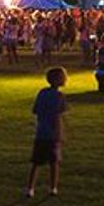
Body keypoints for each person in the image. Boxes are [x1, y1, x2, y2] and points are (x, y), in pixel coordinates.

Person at [27, 67, 68, 197]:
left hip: (40, 132)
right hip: (52, 134)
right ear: (57, 80)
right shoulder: (59, 96)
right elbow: (57, 116)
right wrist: (60, 133)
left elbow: (35, 110)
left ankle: (30, 188)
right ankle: (53, 188)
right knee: (54, 162)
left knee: (36, 162)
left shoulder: (42, 93)